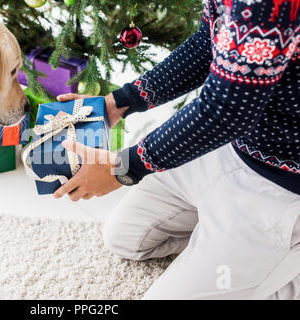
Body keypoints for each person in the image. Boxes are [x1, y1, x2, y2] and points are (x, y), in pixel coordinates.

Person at [54, 0, 300, 299]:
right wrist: (116, 103)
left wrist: (124, 169)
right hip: (227, 146)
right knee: (124, 238)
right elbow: (206, 44)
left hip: (282, 186)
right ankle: (233, 255)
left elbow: (225, 111)